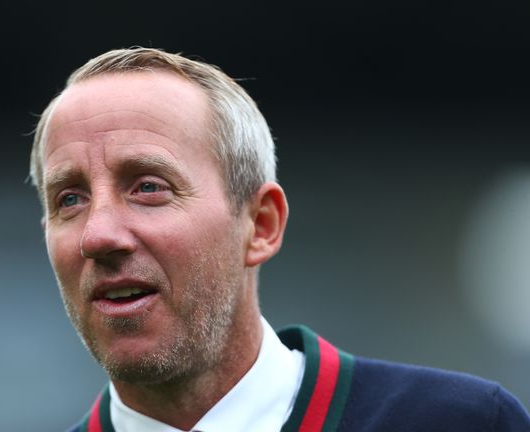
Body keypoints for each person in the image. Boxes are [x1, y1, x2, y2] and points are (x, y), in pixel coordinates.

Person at [29, 47, 530, 432]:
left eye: (148, 187)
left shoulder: (459, 422)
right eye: (70, 199)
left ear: (261, 225)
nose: (98, 235)